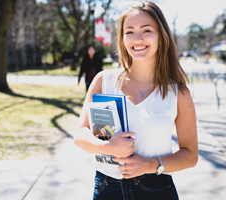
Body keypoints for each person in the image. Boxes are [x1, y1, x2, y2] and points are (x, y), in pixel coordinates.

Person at [73, 1, 198, 199]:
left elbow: (190, 155)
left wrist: (150, 164)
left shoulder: (178, 93)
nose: (137, 38)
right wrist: (108, 147)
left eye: (146, 30)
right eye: (129, 31)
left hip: (157, 189)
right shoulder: (103, 81)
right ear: (122, 39)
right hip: (107, 188)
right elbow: (80, 134)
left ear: (161, 37)